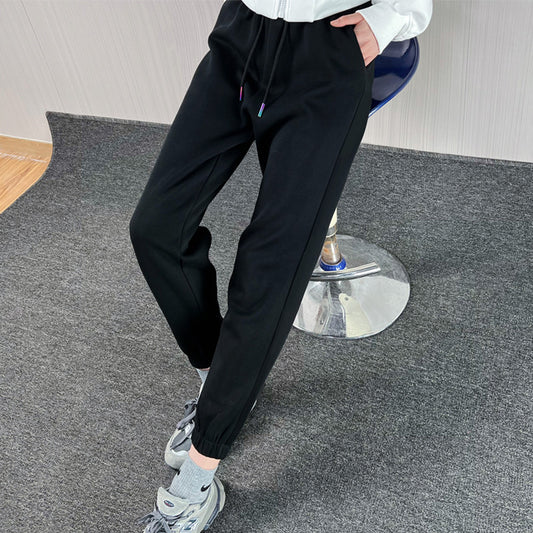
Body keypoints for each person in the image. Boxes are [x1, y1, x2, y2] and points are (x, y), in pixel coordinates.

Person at [129, 0, 433, 530]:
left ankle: (198, 479)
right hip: (243, 34)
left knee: (268, 274)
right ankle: (220, 381)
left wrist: (390, 18)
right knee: (156, 229)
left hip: (329, 50)